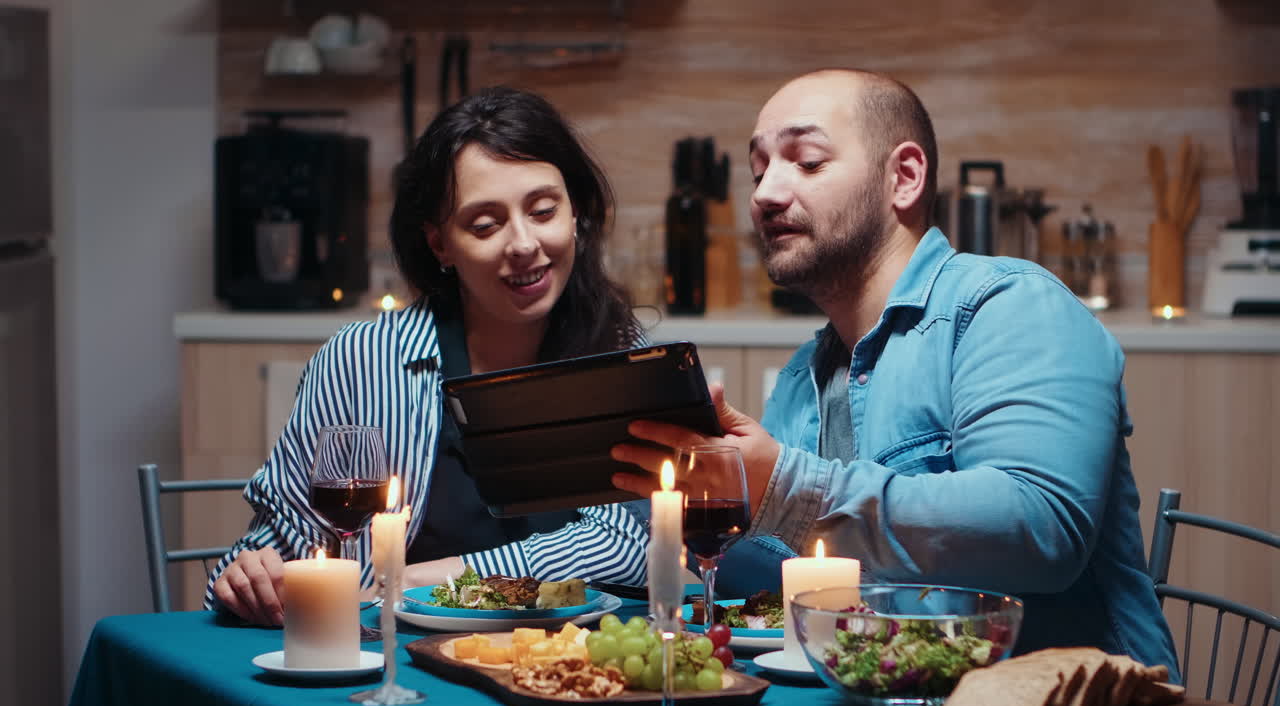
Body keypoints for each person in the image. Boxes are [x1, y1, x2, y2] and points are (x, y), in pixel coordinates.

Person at [612, 69, 1180, 671]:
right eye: (758, 171)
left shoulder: (1009, 306)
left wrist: (781, 484)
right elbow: (782, 575)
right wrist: (675, 501)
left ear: (904, 178)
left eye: (805, 162)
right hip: (883, 696)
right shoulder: (808, 371)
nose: (764, 194)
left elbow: (1042, 530)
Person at [208, 86, 650, 626]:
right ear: (440, 244)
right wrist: (248, 575)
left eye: (542, 211)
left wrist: (445, 573)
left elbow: (630, 544)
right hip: (406, 671)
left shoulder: (623, 357)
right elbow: (287, 545)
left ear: (575, 212)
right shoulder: (362, 362)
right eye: (485, 225)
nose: (523, 243)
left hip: (569, 671)